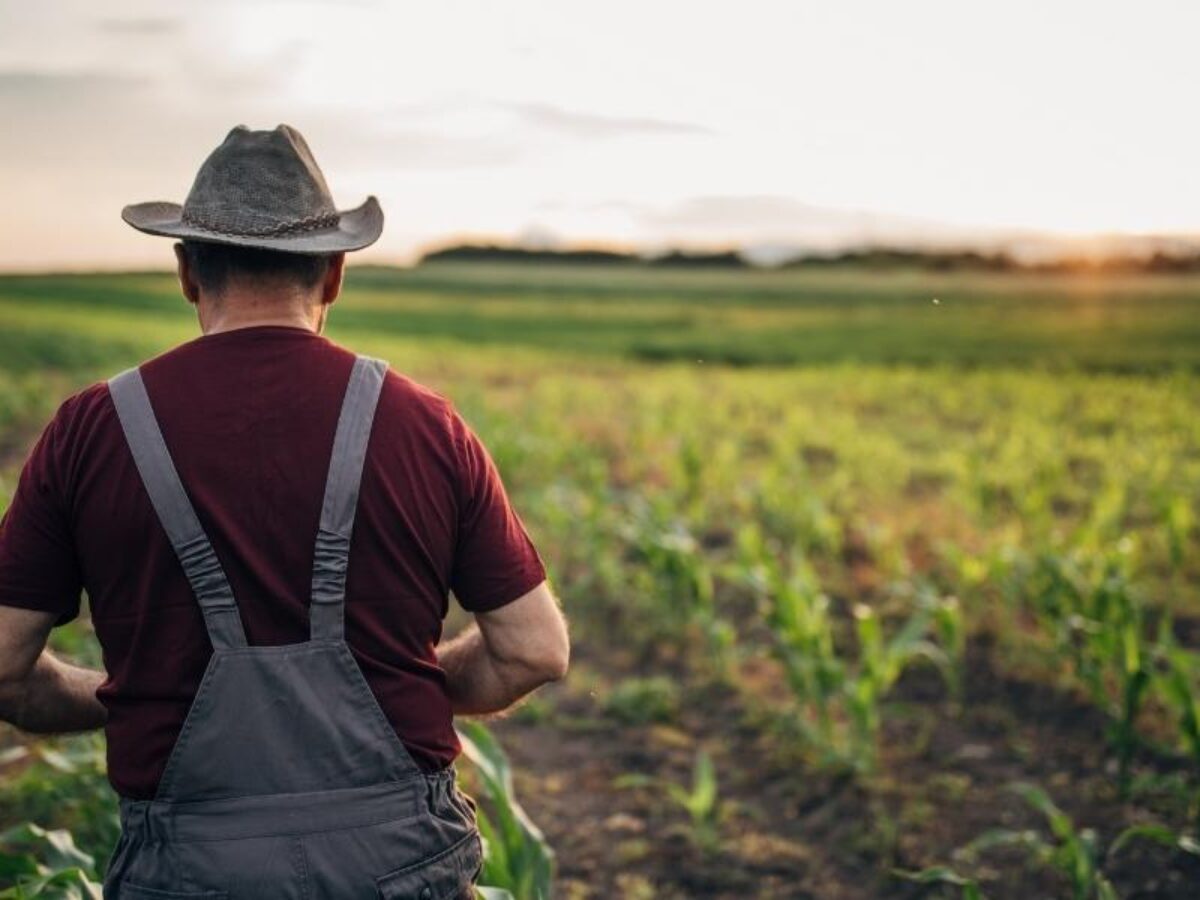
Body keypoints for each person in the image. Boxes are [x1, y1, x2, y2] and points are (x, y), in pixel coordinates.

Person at [0, 124, 569, 899]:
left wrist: (118, 699)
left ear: (186, 271)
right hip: (400, 863)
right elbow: (533, 650)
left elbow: (3, 667)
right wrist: (399, 682)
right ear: (334, 274)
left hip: (189, 869)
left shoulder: (91, 430)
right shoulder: (425, 425)